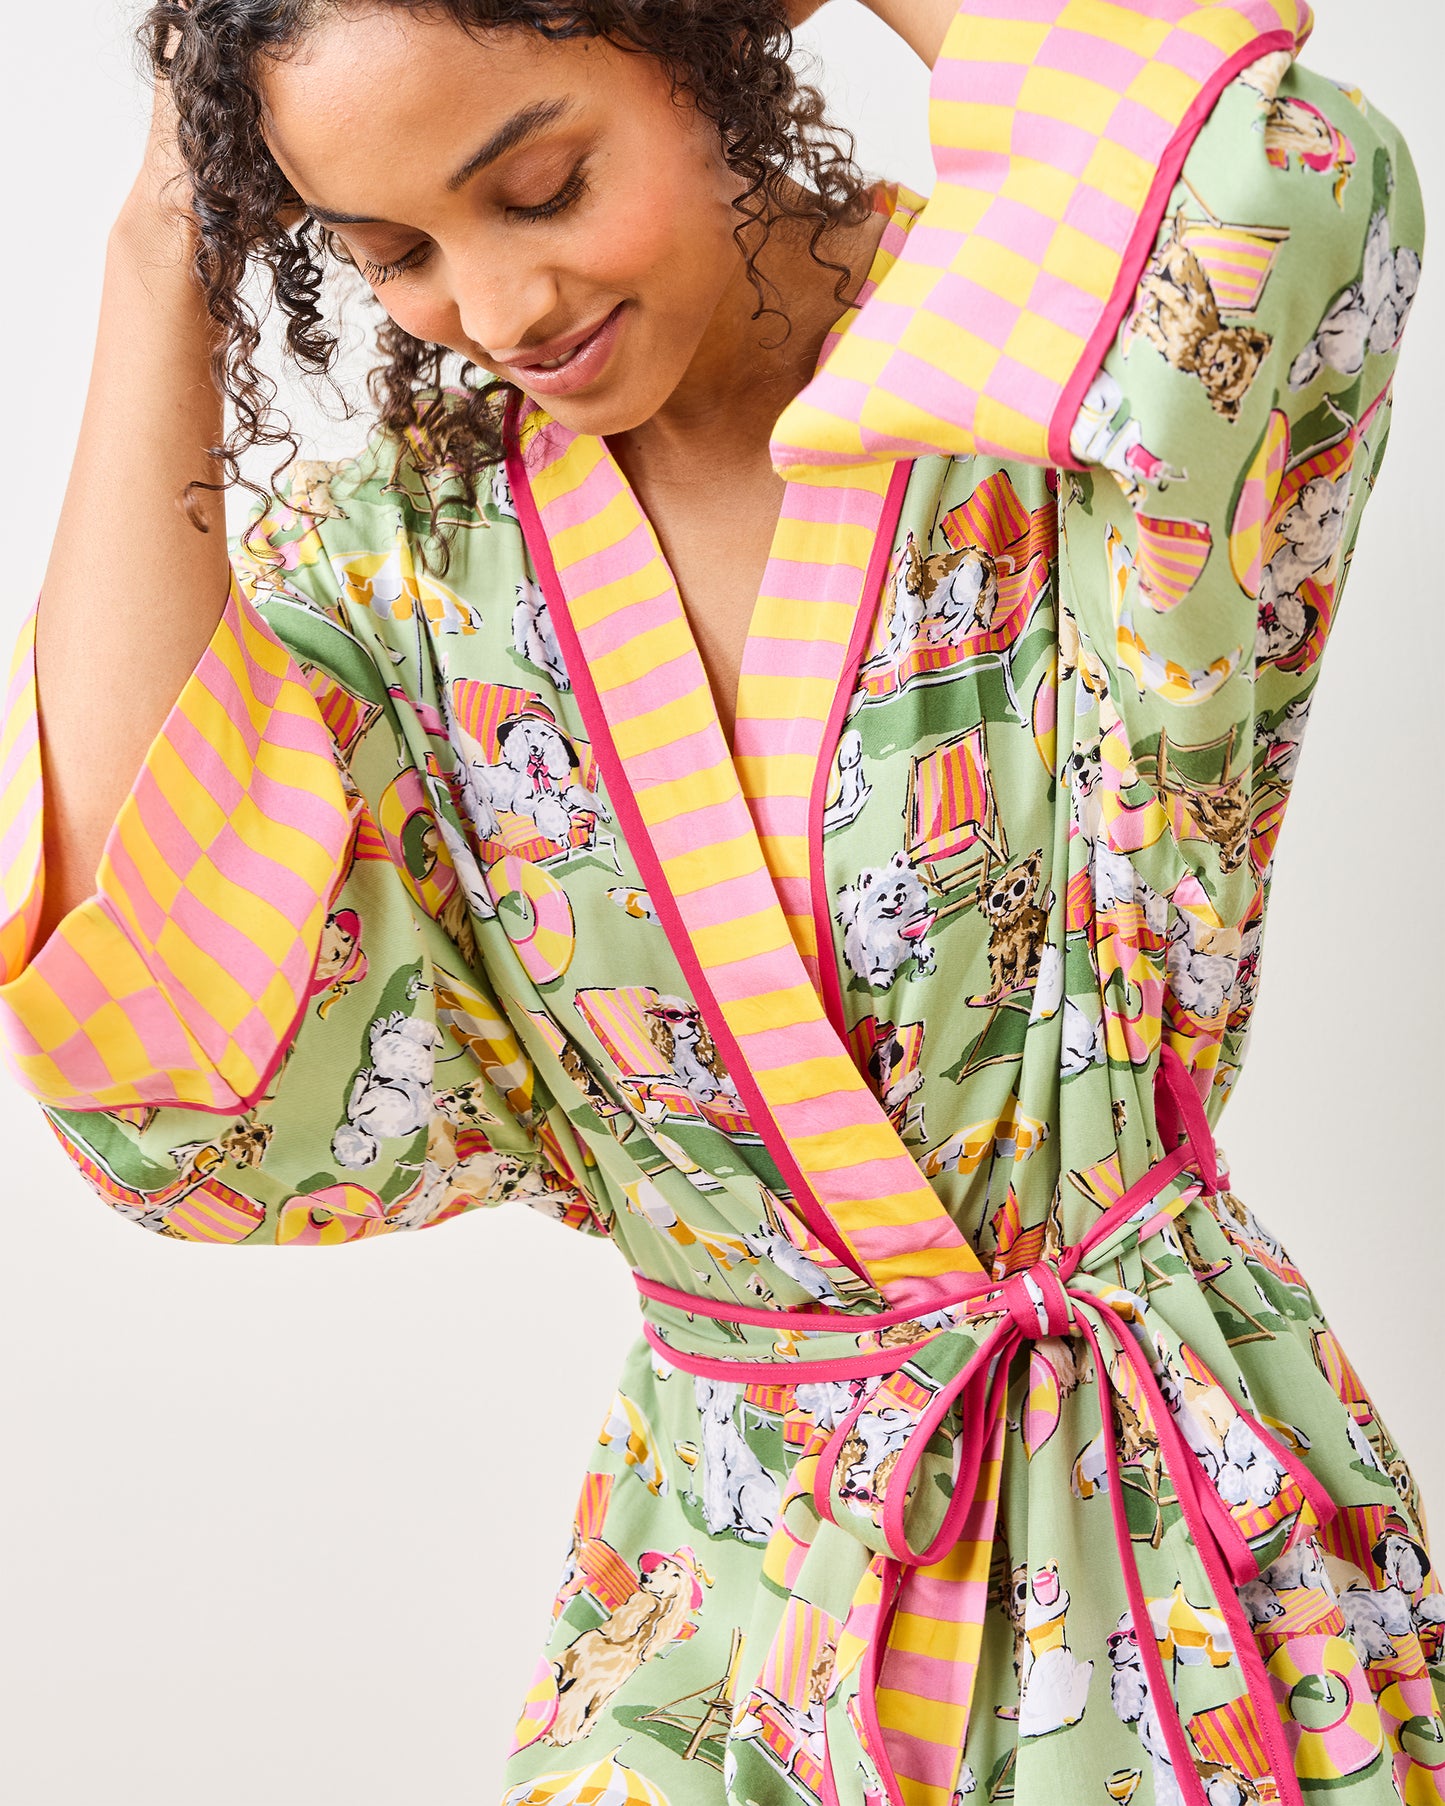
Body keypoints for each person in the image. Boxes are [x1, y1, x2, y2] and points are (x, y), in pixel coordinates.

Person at [0, 0, 1436, 1802]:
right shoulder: (411, 572)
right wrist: (160, 251)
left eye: (541, 186)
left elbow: (1283, 179)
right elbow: (149, 1010)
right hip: (730, 1615)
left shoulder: (1052, 349)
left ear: (696, 41)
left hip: (1179, 1558)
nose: (497, 307)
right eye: (391, 254)